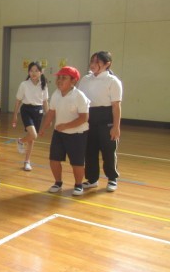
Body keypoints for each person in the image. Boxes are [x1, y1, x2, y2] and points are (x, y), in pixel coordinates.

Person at [39, 66, 90, 196]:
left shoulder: (79, 96)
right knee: (54, 159)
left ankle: (78, 185)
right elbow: (51, 113)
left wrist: (66, 126)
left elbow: (84, 118)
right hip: (59, 133)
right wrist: (43, 128)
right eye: (59, 78)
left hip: (77, 135)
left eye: (64, 78)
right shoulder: (56, 94)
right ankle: (58, 183)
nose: (59, 80)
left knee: (77, 162)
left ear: (73, 81)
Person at [78, 51, 123, 192]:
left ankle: (112, 178)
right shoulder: (85, 79)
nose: (93, 64)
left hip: (106, 118)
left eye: (97, 62)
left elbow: (116, 106)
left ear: (107, 64)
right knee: (90, 150)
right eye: (92, 61)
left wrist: (116, 127)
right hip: (89, 118)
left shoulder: (113, 81)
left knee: (108, 151)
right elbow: (79, 100)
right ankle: (92, 179)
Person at [12, 61, 49, 171]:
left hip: (38, 111)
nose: (34, 73)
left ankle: (27, 161)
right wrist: (15, 115)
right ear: (28, 72)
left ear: (41, 72)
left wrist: (48, 117)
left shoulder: (43, 85)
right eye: (31, 70)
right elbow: (18, 100)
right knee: (33, 135)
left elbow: (45, 102)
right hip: (26, 110)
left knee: (32, 138)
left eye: (36, 71)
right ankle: (21, 141)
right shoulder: (24, 84)